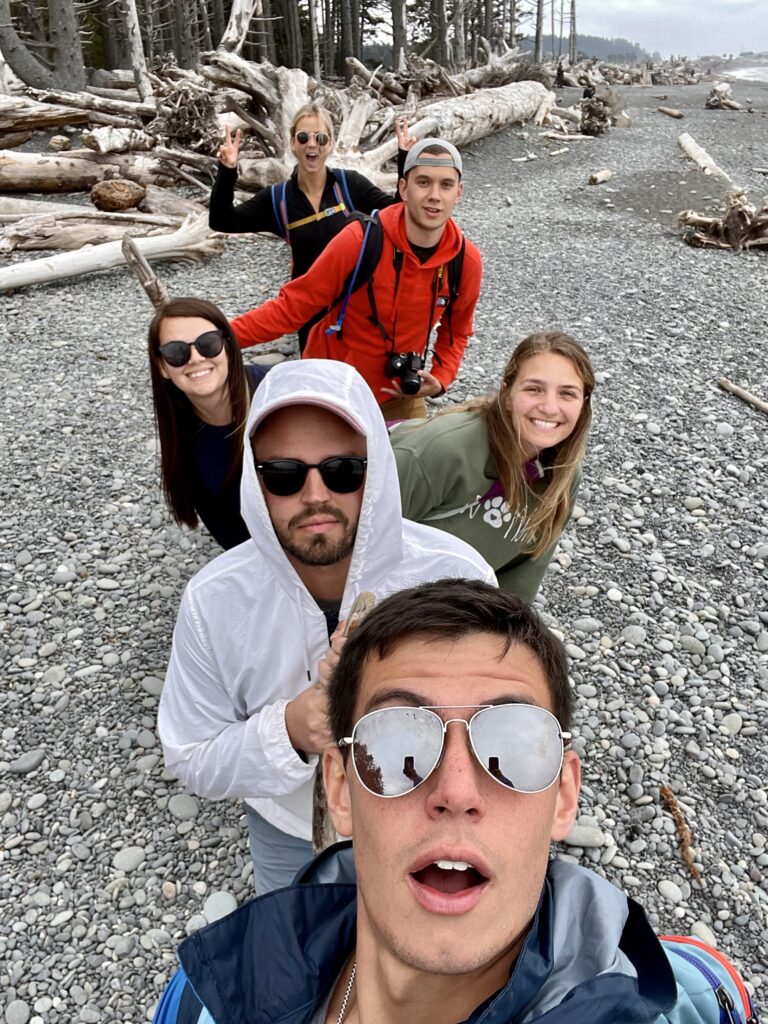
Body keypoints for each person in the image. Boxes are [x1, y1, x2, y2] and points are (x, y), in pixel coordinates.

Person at [153, 580, 758, 1024]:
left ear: (563, 796)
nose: (457, 792)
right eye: (395, 747)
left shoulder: (699, 995)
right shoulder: (203, 996)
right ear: (339, 788)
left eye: (516, 749)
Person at [157, 360, 495, 895]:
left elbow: (501, 725)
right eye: (284, 475)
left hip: (430, 821)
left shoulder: (456, 575)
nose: (315, 495)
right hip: (287, 830)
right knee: (297, 963)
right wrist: (292, 729)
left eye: (343, 470)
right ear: (254, 479)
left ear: (378, 468)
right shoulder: (214, 599)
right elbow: (191, 754)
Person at [230, 137, 483, 420]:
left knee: (407, 462)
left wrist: (441, 377)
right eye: (423, 182)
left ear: (458, 192)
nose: (434, 195)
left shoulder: (464, 260)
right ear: (403, 188)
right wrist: (220, 337)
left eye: (445, 185)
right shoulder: (360, 241)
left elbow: (456, 330)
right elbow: (292, 308)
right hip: (330, 388)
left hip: (398, 393)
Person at [391, 331, 594, 600]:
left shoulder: (563, 474)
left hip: (448, 613)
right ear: (507, 394)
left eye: (567, 394)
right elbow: (359, 547)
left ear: (583, 404)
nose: (549, 407)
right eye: (534, 389)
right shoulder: (444, 450)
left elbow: (519, 581)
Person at [209, 104, 410, 351]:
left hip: (355, 305)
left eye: (320, 138)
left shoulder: (349, 186)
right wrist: (227, 171)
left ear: (330, 144)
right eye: (303, 137)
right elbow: (222, 220)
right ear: (293, 143)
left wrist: (405, 160)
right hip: (308, 311)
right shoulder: (277, 199)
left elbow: (398, 214)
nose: (311, 144)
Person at [147, 296, 269, 550]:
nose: (195, 358)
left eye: (208, 344)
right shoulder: (184, 442)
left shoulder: (279, 395)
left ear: (228, 345)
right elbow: (231, 536)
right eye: (176, 351)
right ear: (162, 367)